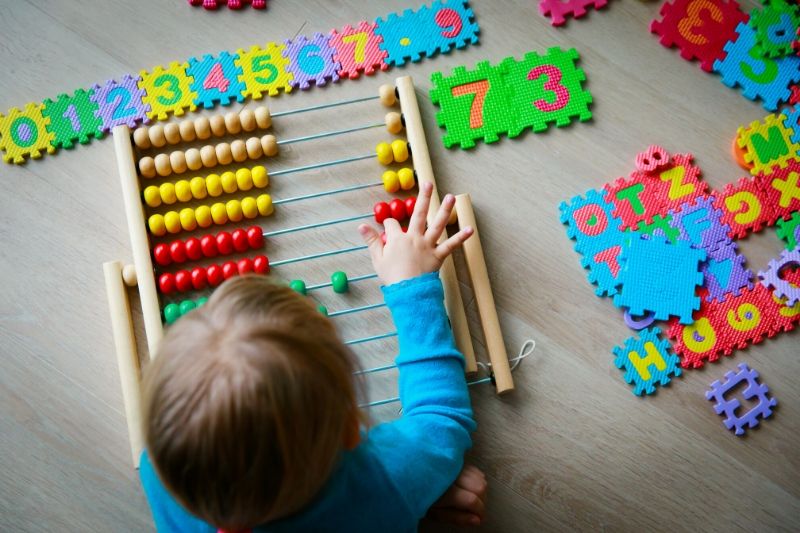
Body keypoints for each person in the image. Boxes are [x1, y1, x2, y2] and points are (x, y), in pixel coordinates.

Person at [139, 182, 487, 532]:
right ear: (351, 429)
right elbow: (440, 419)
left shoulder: (161, 474)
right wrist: (411, 288)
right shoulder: (381, 482)